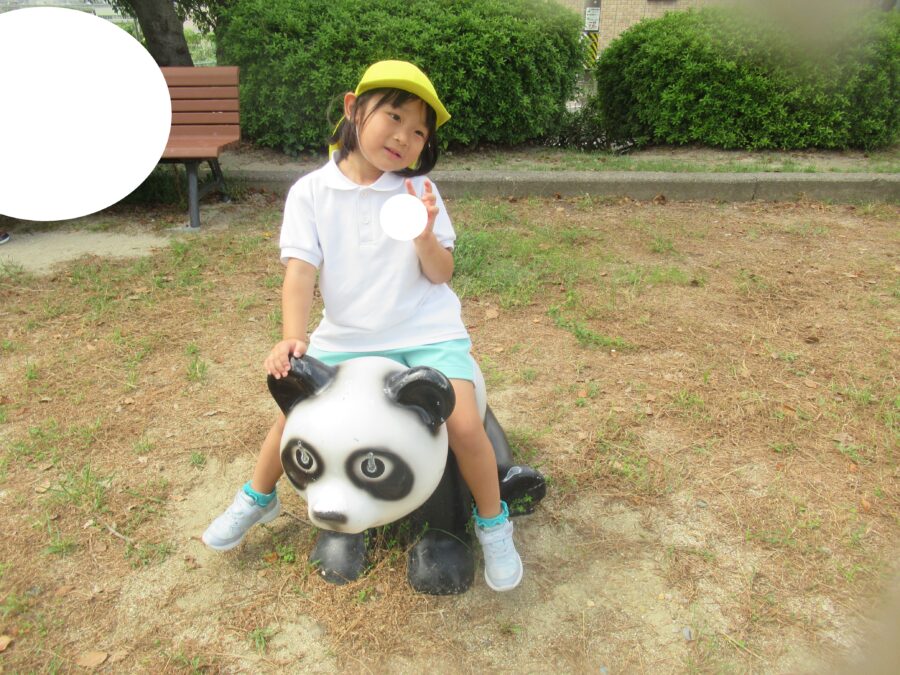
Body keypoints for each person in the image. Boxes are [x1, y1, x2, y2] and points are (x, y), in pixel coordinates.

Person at [202, 60, 523, 591]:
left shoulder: (419, 190)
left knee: (465, 425)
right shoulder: (310, 192)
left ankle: (492, 523)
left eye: (418, 132)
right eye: (394, 117)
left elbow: (441, 273)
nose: (403, 137)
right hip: (347, 335)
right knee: (293, 419)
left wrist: (424, 235)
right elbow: (300, 272)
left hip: (426, 331)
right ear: (353, 108)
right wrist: (293, 335)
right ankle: (257, 498)